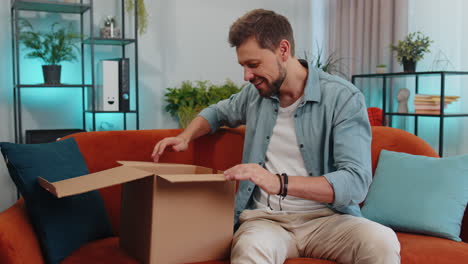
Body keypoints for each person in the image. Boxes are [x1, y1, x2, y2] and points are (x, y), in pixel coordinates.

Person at [152, 9, 400, 264]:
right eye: (243, 66)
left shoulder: (343, 98)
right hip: (266, 222)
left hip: (328, 220)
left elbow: (356, 182)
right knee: (249, 250)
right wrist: (185, 137)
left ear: (283, 50)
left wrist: (278, 182)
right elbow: (217, 113)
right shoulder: (254, 95)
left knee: (382, 241)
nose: (246, 76)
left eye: (253, 64)